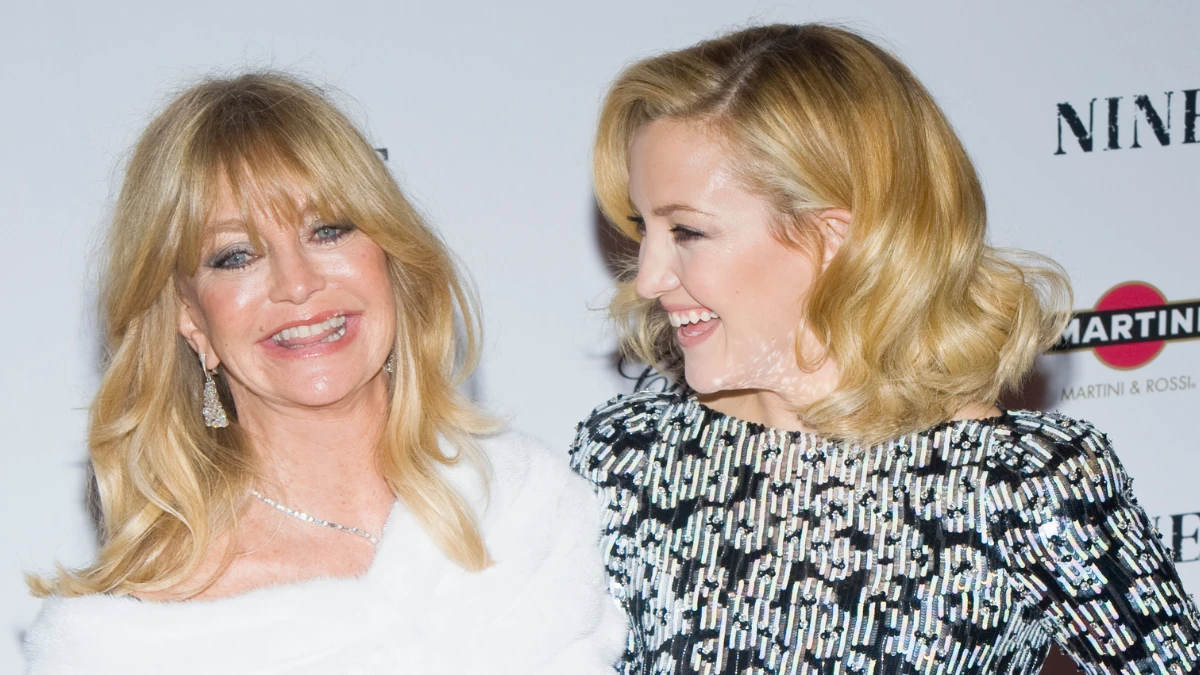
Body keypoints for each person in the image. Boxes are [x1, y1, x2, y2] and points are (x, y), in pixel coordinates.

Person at [571, 23, 1200, 675]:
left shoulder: (1018, 485)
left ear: (833, 238)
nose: (648, 277)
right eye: (644, 228)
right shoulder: (628, 457)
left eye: (688, 232)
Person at [24, 72, 624, 674]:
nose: (298, 283)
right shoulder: (132, 636)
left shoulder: (525, 508)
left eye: (328, 229)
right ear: (190, 317)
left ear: (389, 253)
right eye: (236, 256)